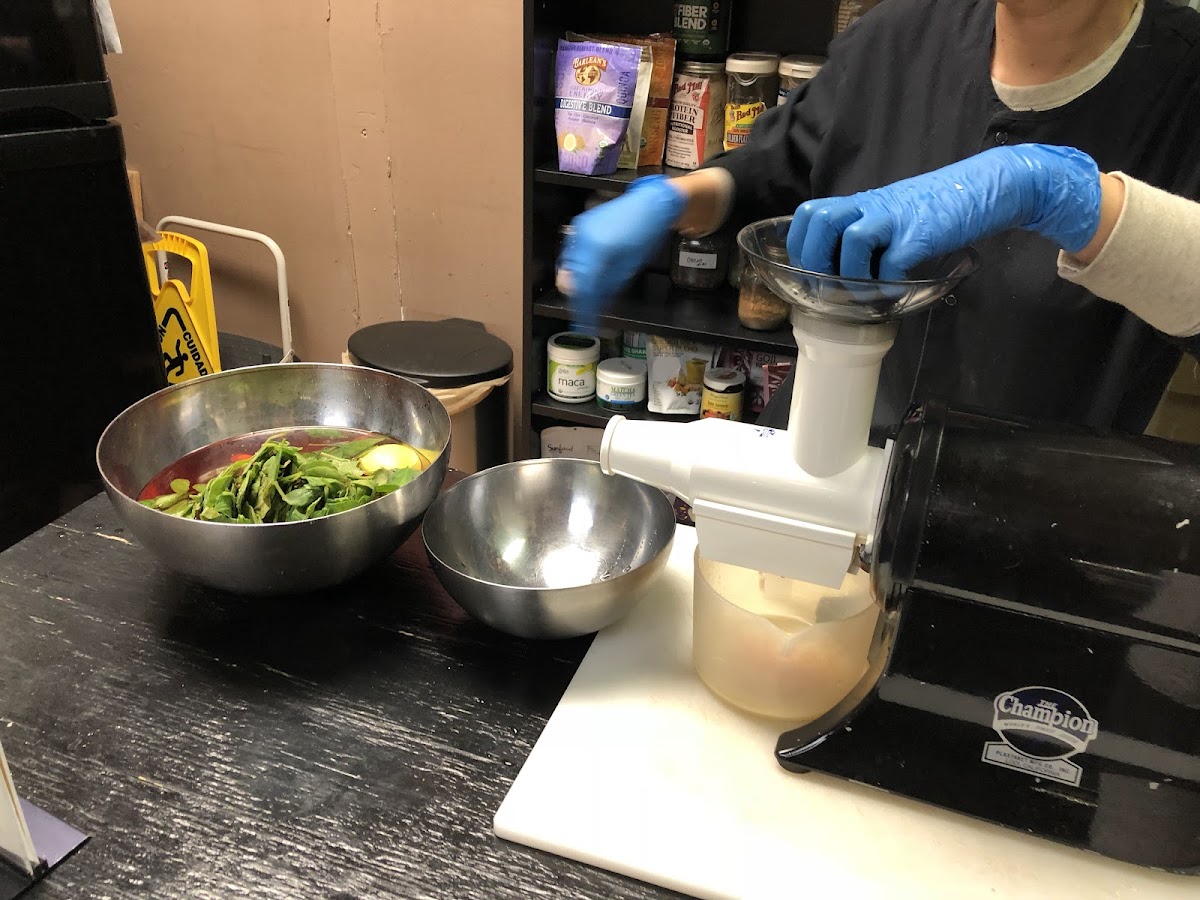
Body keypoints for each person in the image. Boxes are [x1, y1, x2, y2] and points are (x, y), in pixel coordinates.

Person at [557, 0, 1200, 436]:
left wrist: (1066, 196)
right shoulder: (898, 34)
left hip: (1024, 514)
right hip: (827, 454)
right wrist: (676, 198)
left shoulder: (1182, 81)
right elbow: (777, 163)